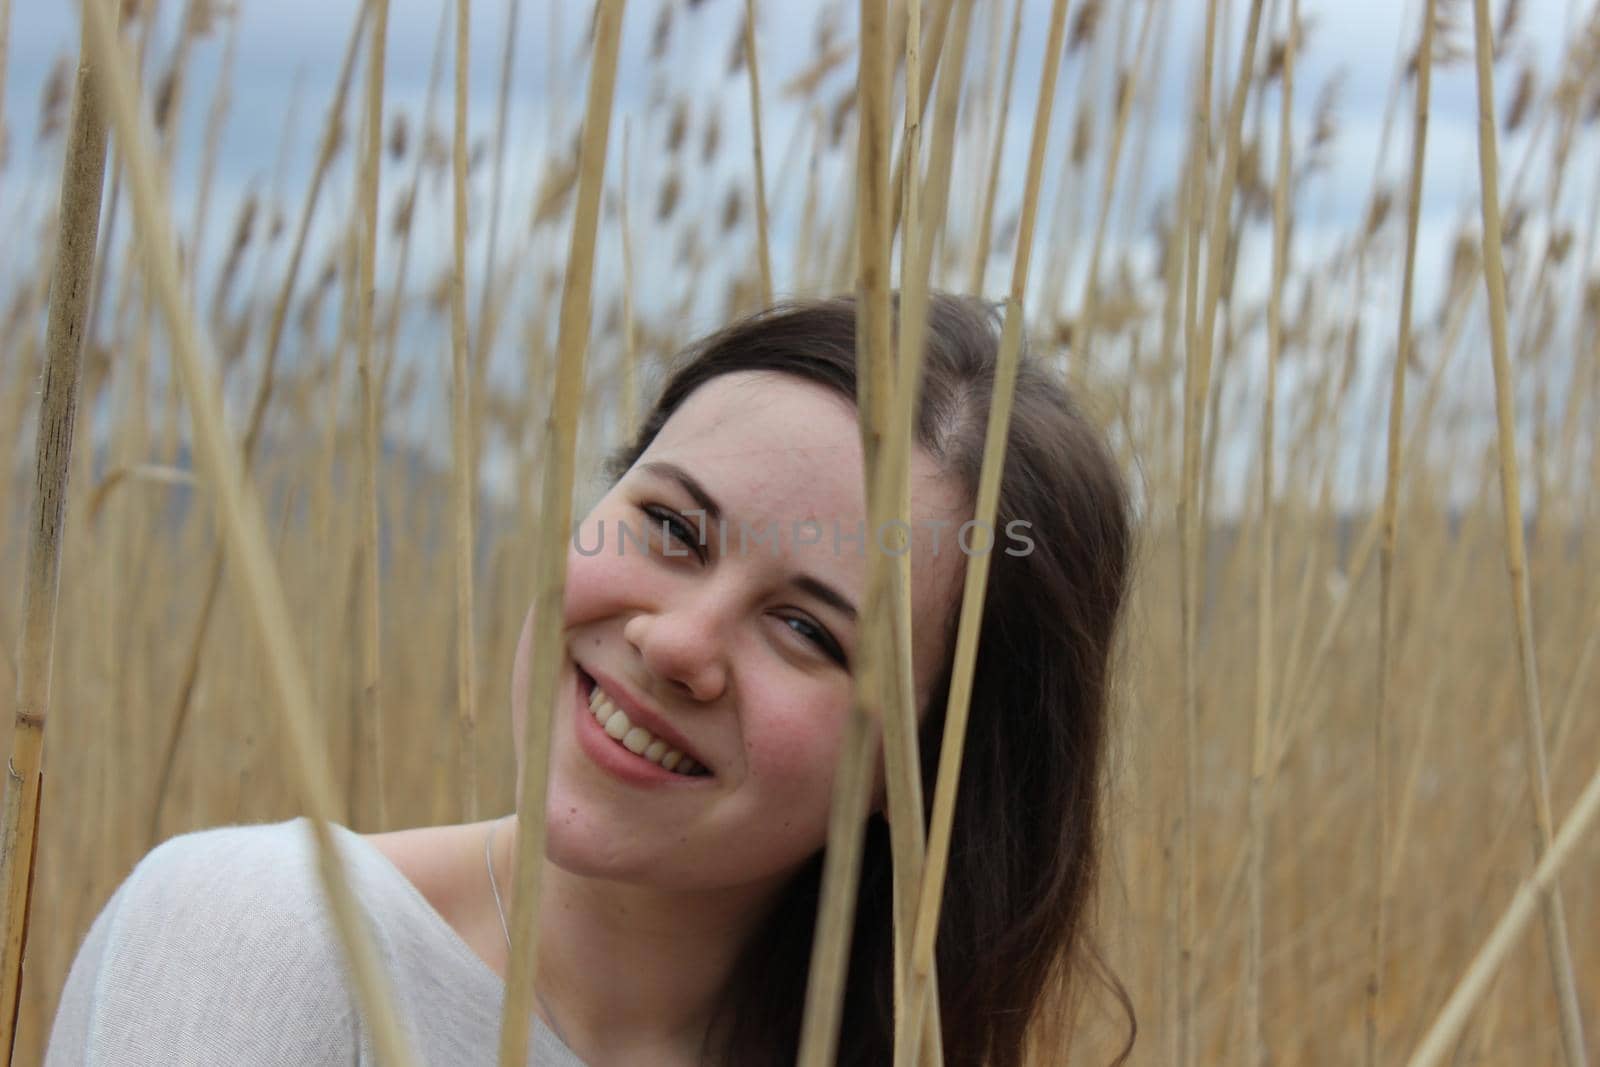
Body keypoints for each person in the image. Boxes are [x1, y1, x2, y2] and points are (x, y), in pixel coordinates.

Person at [47, 293, 1134, 1066]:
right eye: (670, 524)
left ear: (925, 770)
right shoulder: (264, 932)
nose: (676, 643)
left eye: (805, 626)